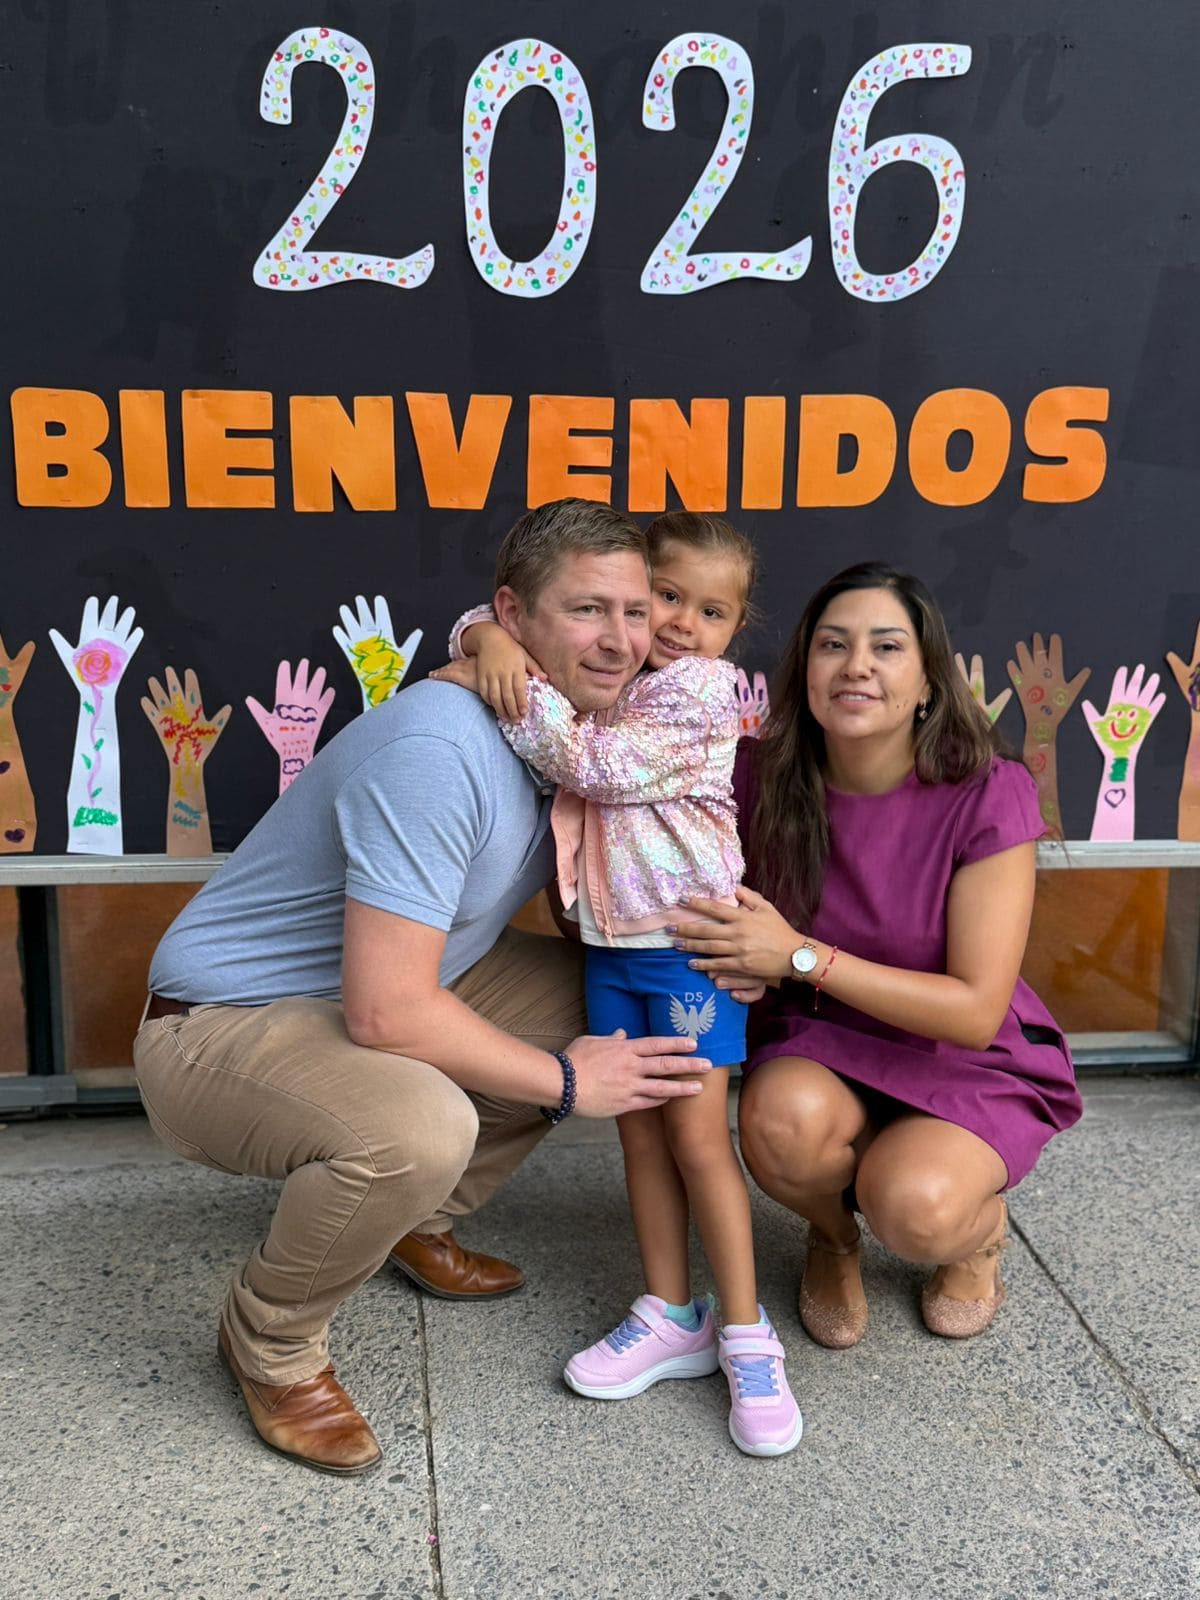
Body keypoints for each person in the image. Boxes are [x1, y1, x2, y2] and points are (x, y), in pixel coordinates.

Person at [131, 498, 717, 1477]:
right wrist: (569, 1083)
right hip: (218, 1025)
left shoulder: (563, 727)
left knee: (612, 1001)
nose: (621, 641)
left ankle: (413, 1222)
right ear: (514, 614)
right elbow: (387, 1011)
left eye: (634, 610)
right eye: (586, 610)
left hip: (388, 980)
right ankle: (270, 1339)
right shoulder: (441, 750)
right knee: (419, 1126)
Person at [435, 513, 802, 1457]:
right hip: (612, 948)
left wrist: (502, 669)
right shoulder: (619, 672)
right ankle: (670, 1313)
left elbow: (592, 766)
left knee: (698, 1141)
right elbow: (508, 622)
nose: (678, 623)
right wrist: (483, 638)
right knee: (638, 1139)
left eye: (710, 611)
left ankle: (746, 1335)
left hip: (686, 952)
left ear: (737, 629)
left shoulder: (702, 691)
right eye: (662, 598)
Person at [672, 561, 1083, 1348]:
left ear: (927, 681)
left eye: (886, 647)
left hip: (962, 1054)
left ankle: (980, 1233)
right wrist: (489, 639)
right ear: (806, 671)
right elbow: (617, 702)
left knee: (917, 1207)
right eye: (833, 645)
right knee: (781, 1125)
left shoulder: (986, 791)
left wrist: (797, 957)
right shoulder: (753, 775)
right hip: (823, 1043)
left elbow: (975, 1011)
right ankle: (832, 1236)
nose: (856, 665)